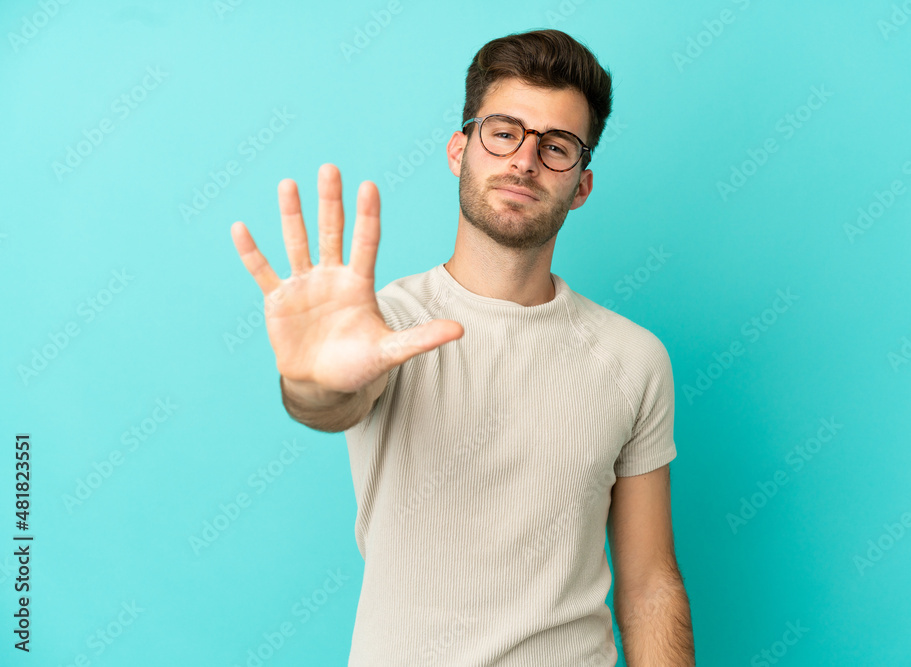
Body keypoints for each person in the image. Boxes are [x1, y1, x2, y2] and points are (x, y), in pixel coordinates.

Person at [230, 28, 694, 667]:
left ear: (582, 185)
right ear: (459, 150)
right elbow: (329, 401)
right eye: (504, 132)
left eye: (556, 146)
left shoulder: (633, 359)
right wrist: (315, 381)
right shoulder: (385, 327)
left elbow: (649, 584)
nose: (525, 161)